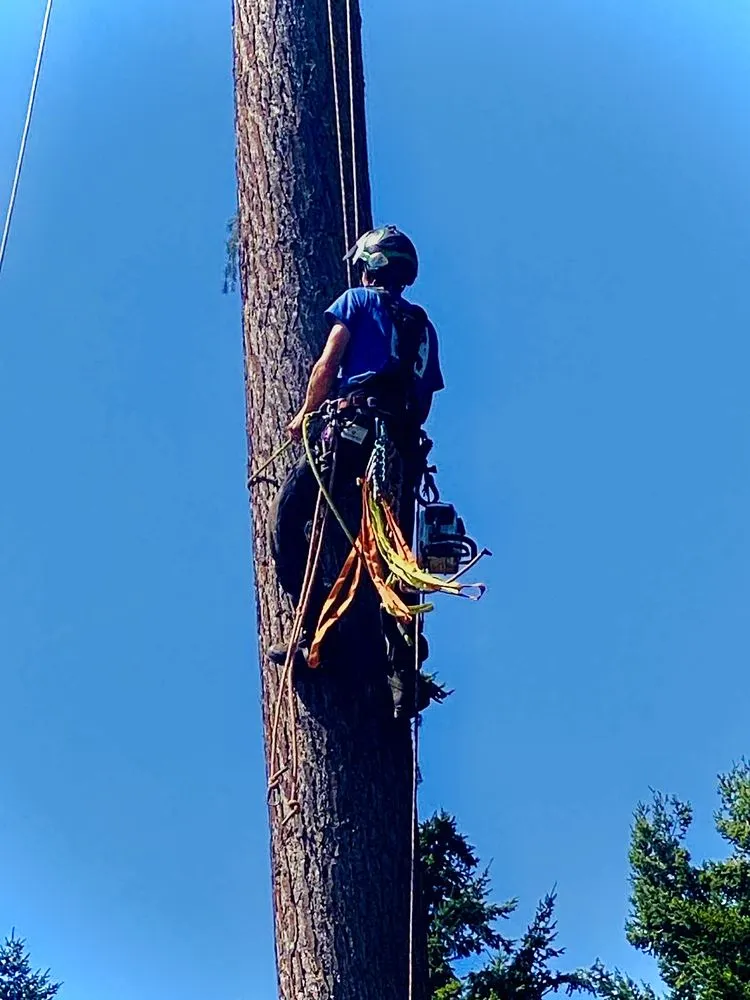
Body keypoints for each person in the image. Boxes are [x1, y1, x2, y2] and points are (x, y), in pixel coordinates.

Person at [267, 226, 444, 686]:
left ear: (371, 266)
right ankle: (403, 669)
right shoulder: (423, 327)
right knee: (394, 554)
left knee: (287, 521)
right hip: (401, 451)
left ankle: (313, 630)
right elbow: (425, 401)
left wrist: (306, 413)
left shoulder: (357, 302)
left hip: (352, 432)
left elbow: (329, 361)